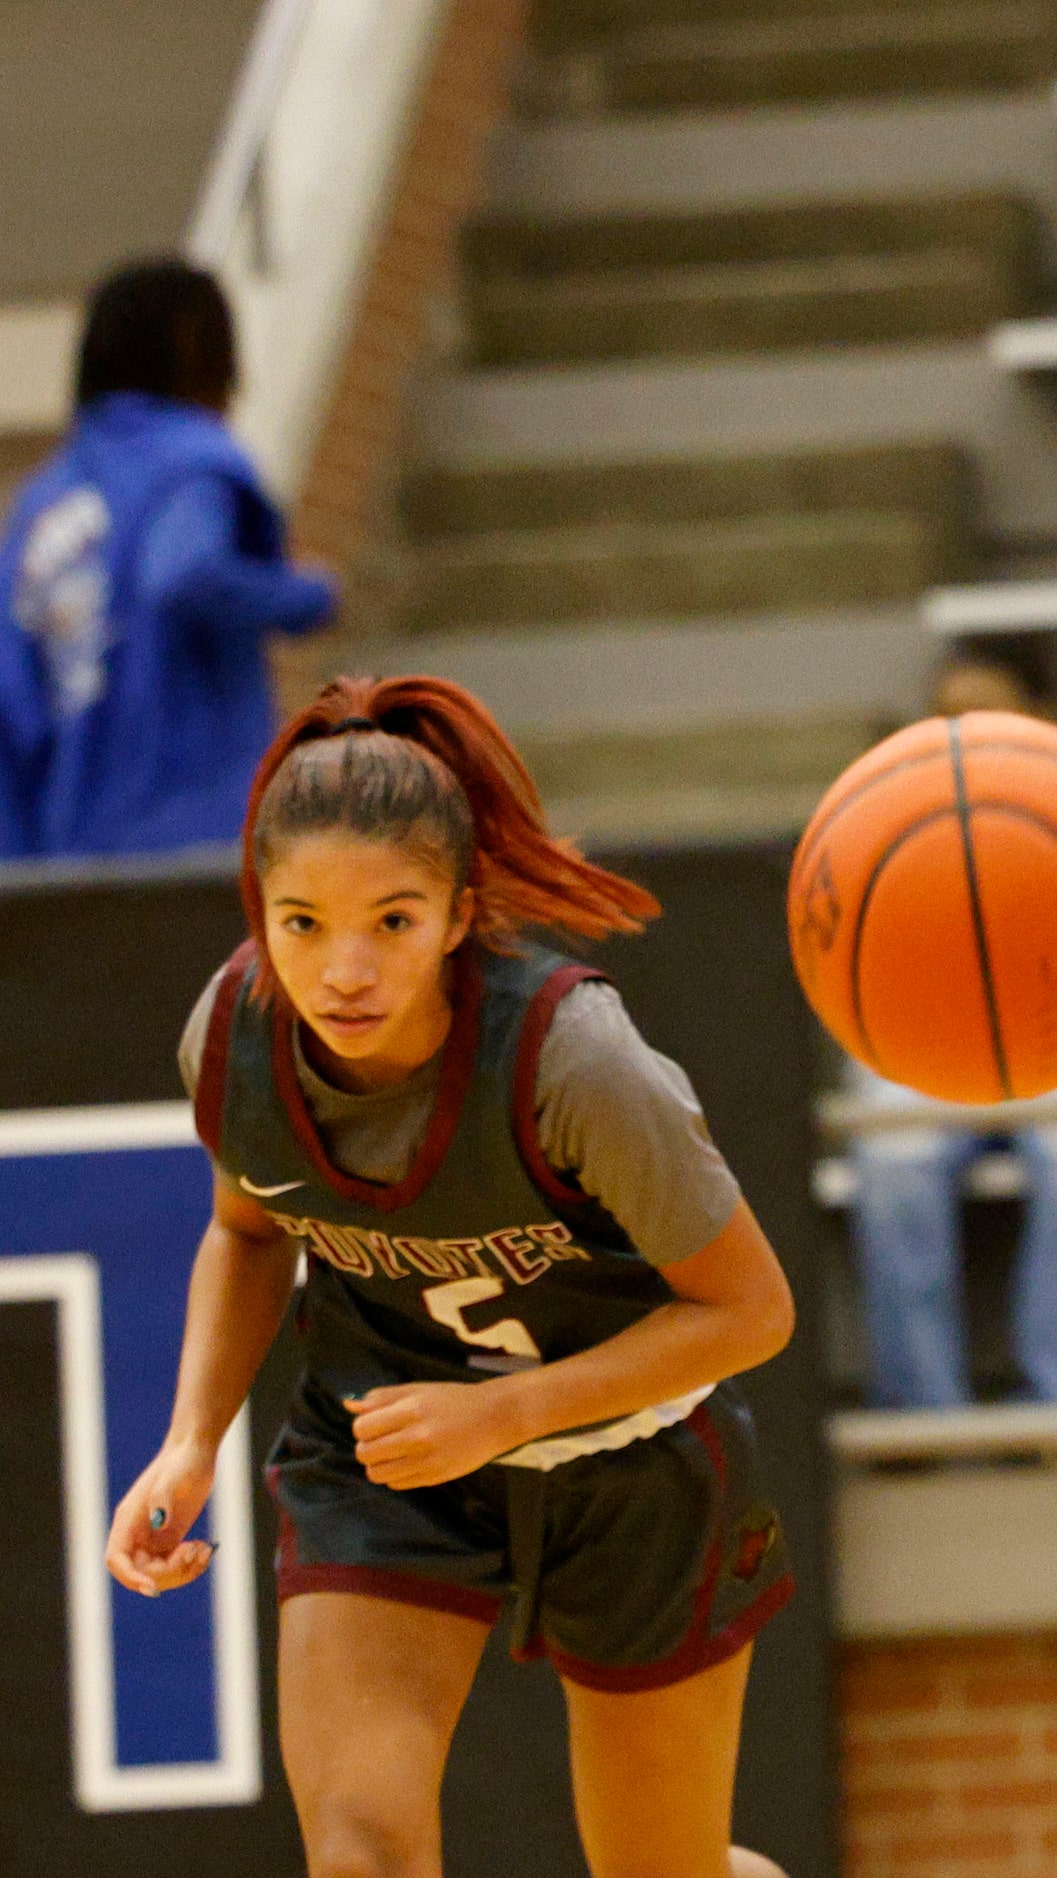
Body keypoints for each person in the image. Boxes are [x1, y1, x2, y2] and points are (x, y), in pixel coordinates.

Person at [103, 675, 795, 1878]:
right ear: (258, 911)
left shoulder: (575, 1060)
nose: (344, 971)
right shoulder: (232, 1035)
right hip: (385, 1454)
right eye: (301, 922)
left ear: (462, 913)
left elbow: (751, 1313)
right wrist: (189, 1439)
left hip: (634, 1461)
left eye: (393, 920)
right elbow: (251, 1233)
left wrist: (504, 1413)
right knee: (360, 1854)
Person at [844, 655, 1057, 1408]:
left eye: (989, 714)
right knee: (891, 1151)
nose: (966, 734)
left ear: (1041, 719)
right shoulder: (887, 817)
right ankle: (924, 1417)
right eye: (948, 718)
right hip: (934, 1047)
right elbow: (852, 974)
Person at [2, 258, 335, 857]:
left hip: (68, 867)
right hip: (201, 849)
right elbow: (186, 572)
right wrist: (306, 594)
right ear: (204, 358)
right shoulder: (189, 460)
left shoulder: (41, 507)